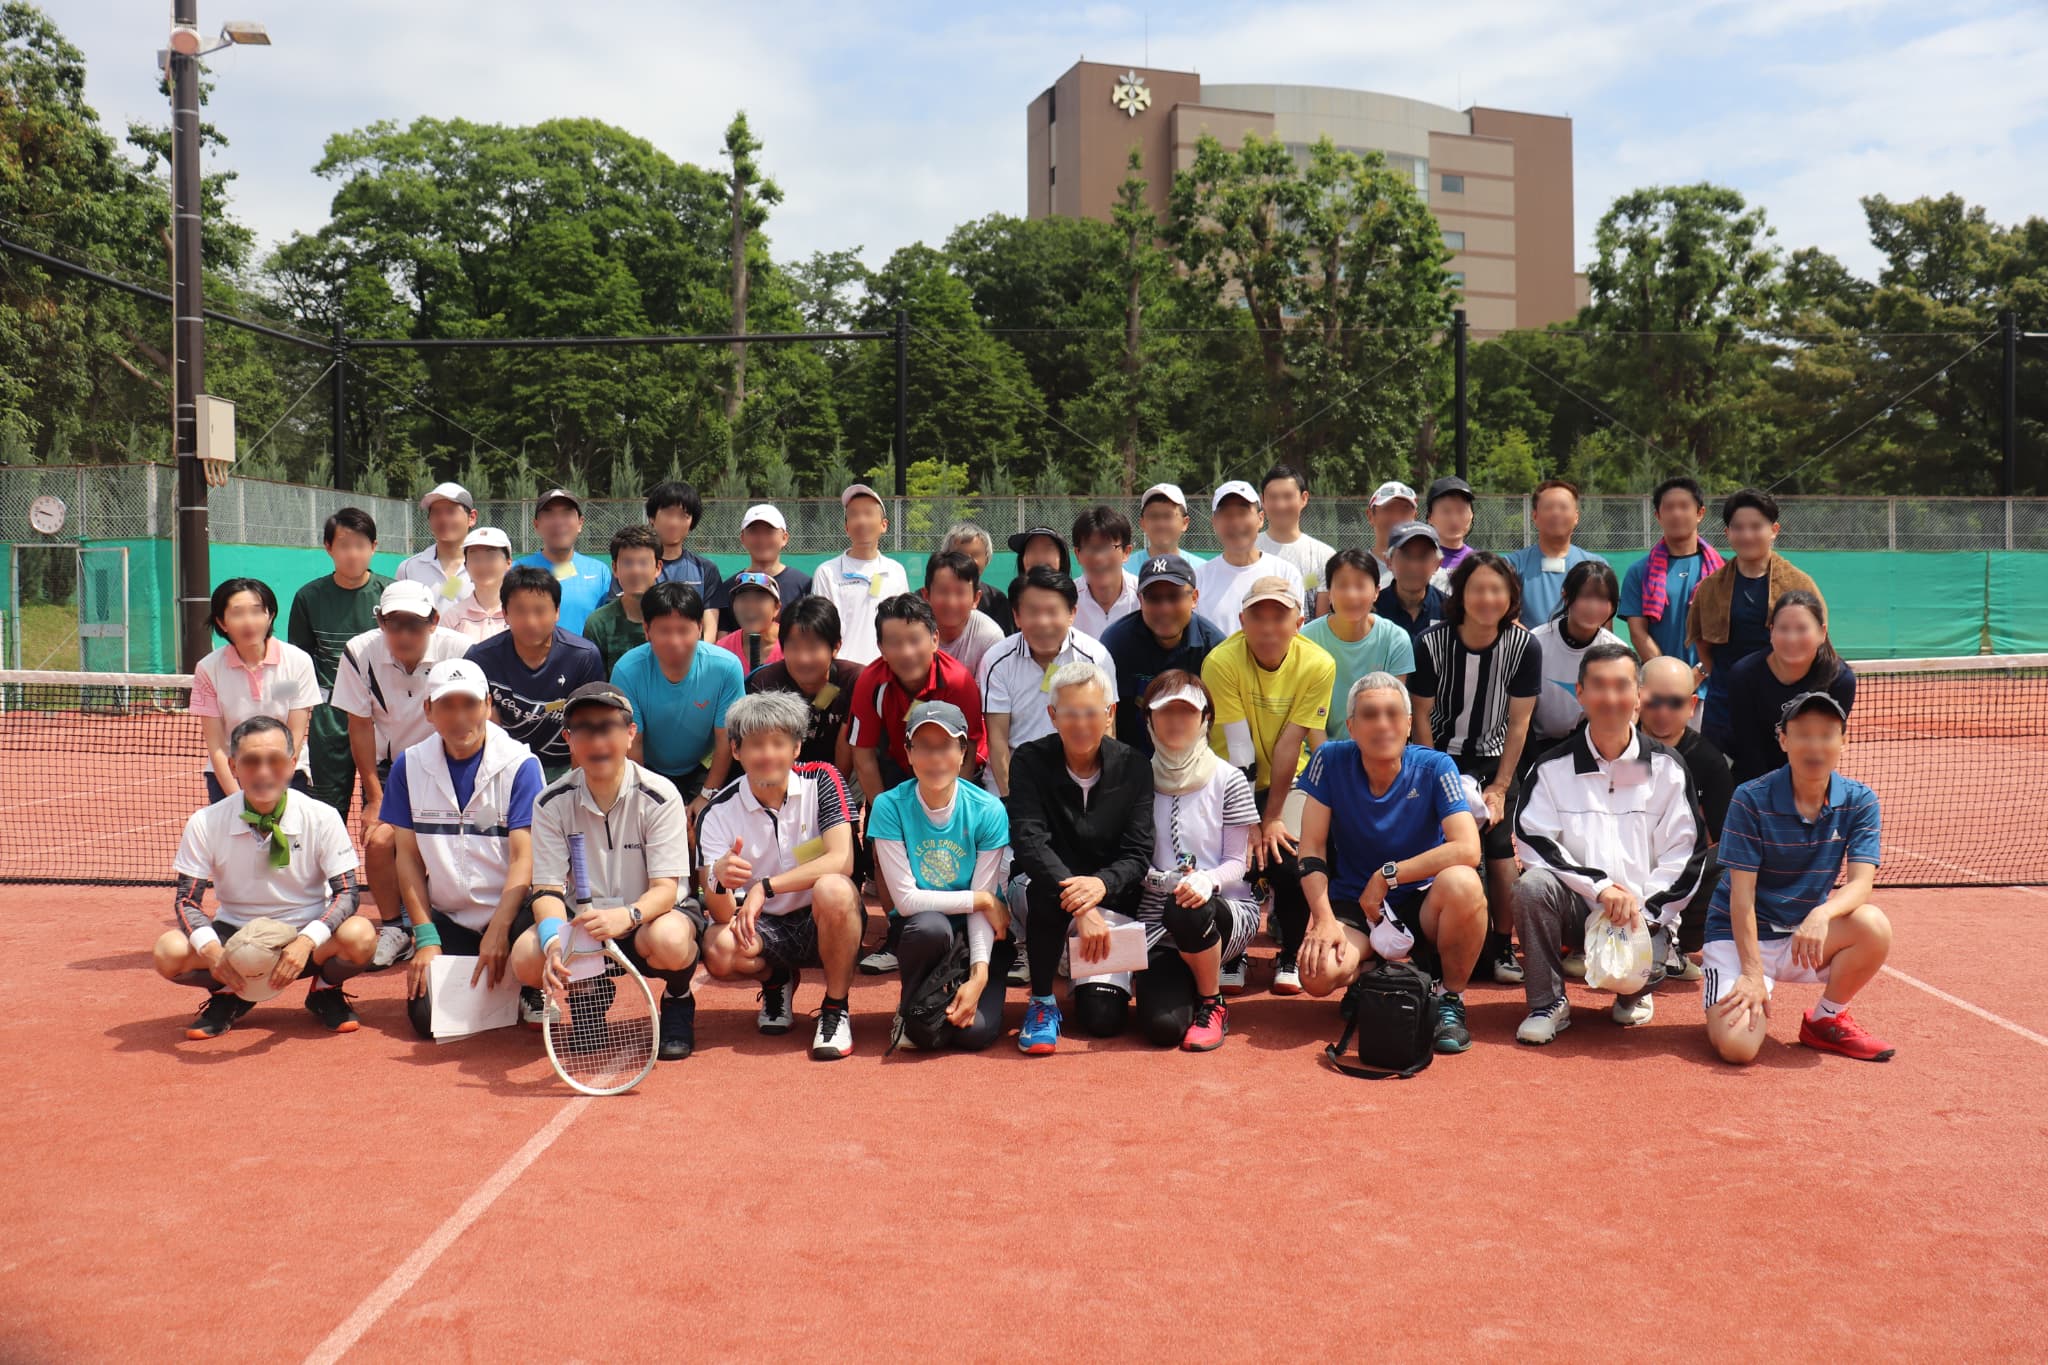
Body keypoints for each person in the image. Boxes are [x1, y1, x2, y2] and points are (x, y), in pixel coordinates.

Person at [1511, 642, 1711, 1043]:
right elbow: (1534, 842)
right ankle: (1548, 1004)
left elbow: (1685, 853)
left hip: (1643, 913)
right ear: (1580, 693)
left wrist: (1644, 911)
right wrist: (1601, 889)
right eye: (1598, 686)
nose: (1610, 697)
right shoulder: (1550, 769)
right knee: (1531, 887)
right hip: (1576, 906)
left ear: (1639, 696)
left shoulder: (1666, 769)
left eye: (1621, 686)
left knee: (1637, 977)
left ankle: (1632, 995)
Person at [1294, 673, 1489, 1054]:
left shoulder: (1437, 767)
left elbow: (1468, 848)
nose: (1382, 724)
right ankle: (1368, 977)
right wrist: (1322, 918)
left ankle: (1450, 1000)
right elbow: (1312, 847)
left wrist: (1389, 876)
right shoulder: (1329, 760)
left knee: (1465, 882)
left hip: (1422, 902)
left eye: (1391, 713)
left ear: (1408, 723)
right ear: (1351, 726)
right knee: (1315, 977)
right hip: (1354, 904)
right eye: (1369, 715)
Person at [510, 682, 703, 1061]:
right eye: (583, 728)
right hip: (585, 925)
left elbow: (666, 889)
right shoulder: (550, 802)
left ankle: (678, 998)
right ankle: (590, 995)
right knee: (526, 957)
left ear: (630, 733)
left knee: (671, 941)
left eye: (608, 726)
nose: (597, 739)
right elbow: (547, 890)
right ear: (569, 738)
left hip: (650, 916)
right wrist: (552, 943)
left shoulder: (661, 796)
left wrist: (626, 916)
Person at [156, 716, 377, 1040]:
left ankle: (324, 990)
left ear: (290, 764)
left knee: (361, 935)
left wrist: (306, 941)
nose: (263, 771)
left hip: (306, 937)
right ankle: (227, 993)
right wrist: (213, 951)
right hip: (235, 934)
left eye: (273, 760)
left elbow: (347, 893)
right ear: (233, 766)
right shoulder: (205, 822)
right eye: (251, 761)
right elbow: (187, 900)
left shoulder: (322, 817)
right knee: (168, 951)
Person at [1704, 691, 1895, 1064]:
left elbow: (1860, 883)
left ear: (1844, 740)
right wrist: (1752, 972)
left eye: (1826, 734)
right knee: (1738, 1049)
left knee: (1873, 925)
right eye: (1804, 733)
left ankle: (1826, 1019)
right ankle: (1728, 997)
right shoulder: (1750, 798)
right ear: (1784, 740)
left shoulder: (1861, 801)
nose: (1816, 745)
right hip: (1740, 936)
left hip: (1801, 934)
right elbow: (1741, 897)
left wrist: (1821, 914)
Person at [379, 659, 545, 1037]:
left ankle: (529, 984)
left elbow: (525, 859)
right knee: (427, 1023)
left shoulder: (521, 765)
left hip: (514, 915)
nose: (460, 717)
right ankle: (495, 984)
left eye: (470, 704)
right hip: (450, 918)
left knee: (532, 942)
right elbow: (406, 858)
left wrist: (500, 929)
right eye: (447, 706)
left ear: (487, 705)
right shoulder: (408, 766)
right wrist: (425, 938)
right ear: (428, 710)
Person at [698, 692, 865, 1060]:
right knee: (719, 948)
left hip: (824, 918)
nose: (767, 754)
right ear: (737, 751)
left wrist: (764, 887)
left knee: (835, 889)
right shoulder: (716, 812)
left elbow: (842, 860)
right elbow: (722, 914)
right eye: (756, 744)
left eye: (778, 743)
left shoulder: (823, 779)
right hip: (766, 927)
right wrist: (721, 880)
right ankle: (776, 981)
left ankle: (835, 1009)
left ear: (796, 748)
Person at [1005, 663, 1155, 1055]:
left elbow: (1138, 853)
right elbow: (1029, 842)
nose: (1081, 724)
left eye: (1091, 712)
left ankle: (1069, 969)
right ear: (1053, 715)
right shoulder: (1028, 760)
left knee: (1103, 1021)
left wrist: (1102, 886)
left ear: (1110, 713)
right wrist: (1081, 907)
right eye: (1070, 713)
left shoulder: (1135, 766)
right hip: (1048, 897)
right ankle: (1041, 1001)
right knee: (1044, 888)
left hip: (1110, 900)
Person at [1409, 551, 1542, 985]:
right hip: (1437, 755)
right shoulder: (1431, 642)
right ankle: (1423, 944)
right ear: (1461, 594)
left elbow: (1519, 723)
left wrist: (1501, 787)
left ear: (1511, 596)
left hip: (1493, 759)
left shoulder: (1525, 646)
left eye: (1498, 589)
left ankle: (1502, 945)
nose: (1488, 598)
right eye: (1478, 588)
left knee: (1501, 844)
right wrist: (1435, 776)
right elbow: (1421, 716)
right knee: (1432, 839)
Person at [1201, 576, 1335, 994]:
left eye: (1279, 616)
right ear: (1242, 620)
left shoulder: (1318, 664)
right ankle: (1232, 950)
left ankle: (1290, 953)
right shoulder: (1221, 661)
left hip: (1291, 777)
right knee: (1230, 856)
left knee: (1291, 858)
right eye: (1258, 616)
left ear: (1298, 620)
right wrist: (1250, 821)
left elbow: (1292, 742)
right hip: (1231, 776)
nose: (1268, 626)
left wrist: (1273, 818)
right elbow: (1239, 751)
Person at [869, 700, 1013, 1052]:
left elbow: (983, 913)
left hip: (978, 931)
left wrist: (979, 977)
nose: (935, 758)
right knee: (930, 926)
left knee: (974, 1034)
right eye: (924, 747)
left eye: (946, 746)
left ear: (963, 751)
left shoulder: (988, 809)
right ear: (909, 753)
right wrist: (981, 898)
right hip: (925, 928)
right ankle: (911, 1010)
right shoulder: (889, 806)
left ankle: (954, 992)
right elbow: (905, 901)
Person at [329, 581, 472, 936]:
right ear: (380, 622)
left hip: (449, 766)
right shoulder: (358, 652)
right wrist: (375, 796)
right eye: (395, 624)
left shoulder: (462, 651)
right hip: (392, 770)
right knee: (379, 842)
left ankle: (449, 923)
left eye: (415, 624)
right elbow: (359, 725)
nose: (404, 634)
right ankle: (394, 929)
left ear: (434, 620)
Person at [1133, 673, 1264, 1051]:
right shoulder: (1134, 778)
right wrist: (1160, 880)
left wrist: (1206, 881)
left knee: (1188, 905)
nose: (1176, 721)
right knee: (1162, 1028)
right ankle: (1183, 978)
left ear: (1205, 719)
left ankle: (1212, 1001)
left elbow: (1237, 862)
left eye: (1187, 712)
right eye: (1165, 712)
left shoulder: (1229, 779)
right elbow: (1130, 854)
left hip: (1223, 911)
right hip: (1155, 919)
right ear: (1149, 721)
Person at [1690, 488, 1824, 747]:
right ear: (1728, 533)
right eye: (1738, 527)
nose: (1747, 535)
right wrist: (1731, 680)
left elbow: (1818, 643)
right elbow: (1703, 645)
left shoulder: (1800, 583)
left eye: (1756, 526)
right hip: (1724, 708)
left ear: (1774, 530)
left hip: (1782, 706)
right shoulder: (1710, 587)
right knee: (1723, 784)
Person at [978, 566, 1116, 798]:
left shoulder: (1096, 656)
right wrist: (1013, 801)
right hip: (1015, 773)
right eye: (1032, 612)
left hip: (1078, 774)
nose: (1043, 622)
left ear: (1072, 613)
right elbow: (998, 739)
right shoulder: (997, 660)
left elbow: (1106, 729)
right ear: (1017, 616)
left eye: (1052, 611)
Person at [288, 507, 391, 818]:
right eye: (344, 545)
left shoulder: (390, 594)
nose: (353, 554)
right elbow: (300, 662)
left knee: (383, 808)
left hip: (384, 715)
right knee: (326, 812)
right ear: (329, 548)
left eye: (361, 545)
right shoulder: (308, 597)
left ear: (374, 547)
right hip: (328, 718)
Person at [609, 582, 743, 813]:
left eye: (684, 630)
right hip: (647, 770)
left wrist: (706, 795)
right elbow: (632, 743)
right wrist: (650, 798)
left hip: (704, 766)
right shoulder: (627, 671)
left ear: (700, 628)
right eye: (664, 631)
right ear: (647, 630)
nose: (675, 641)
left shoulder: (726, 667)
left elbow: (725, 741)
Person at [463, 565, 605, 781]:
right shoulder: (481, 659)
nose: (531, 622)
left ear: (557, 611)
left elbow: (586, 728)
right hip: (507, 766)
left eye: (540, 610)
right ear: (506, 613)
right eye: (520, 611)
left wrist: (575, 790)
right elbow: (486, 732)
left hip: (566, 766)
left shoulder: (583, 656)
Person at [1639, 655, 1732, 979]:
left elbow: (1721, 837)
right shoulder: (1612, 745)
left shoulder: (1708, 761)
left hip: (1679, 874)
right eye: (1654, 701)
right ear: (1638, 698)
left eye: (1675, 702)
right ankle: (1587, 941)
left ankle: (1678, 940)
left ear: (1692, 705)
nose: (1664, 711)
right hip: (1620, 867)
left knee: (1733, 861)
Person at [850, 593, 987, 802]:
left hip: (953, 771)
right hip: (899, 769)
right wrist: (883, 813)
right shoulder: (870, 682)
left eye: (915, 640)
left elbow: (968, 752)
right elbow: (863, 756)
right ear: (881, 649)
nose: (907, 652)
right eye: (895, 643)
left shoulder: (958, 682)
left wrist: (952, 809)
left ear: (934, 640)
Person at [191, 577, 317, 803]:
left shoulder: (298, 662)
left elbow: (296, 734)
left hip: (287, 773)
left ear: (270, 616)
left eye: (257, 611)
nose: (249, 622)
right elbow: (217, 745)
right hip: (229, 775)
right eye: (237, 613)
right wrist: (237, 798)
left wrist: (277, 784)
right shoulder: (208, 669)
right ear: (222, 622)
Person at [1722, 590, 1856, 786]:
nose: (1792, 638)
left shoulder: (1840, 680)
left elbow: (1825, 745)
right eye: (1783, 629)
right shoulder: (1743, 675)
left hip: (1808, 779)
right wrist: (1767, 796)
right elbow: (1748, 745)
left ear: (1822, 632)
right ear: (1771, 632)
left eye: (1802, 629)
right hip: (1751, 778)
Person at [1101, 554, 1225, 757]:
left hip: (1196, 760)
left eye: (1174, 596)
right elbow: (1110, 714)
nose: (1164, 608)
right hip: (1133, 759)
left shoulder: (1214, 647)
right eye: (1154, 598)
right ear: (1140, 600)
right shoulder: (1117, 642)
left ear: (1194, 598)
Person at [1620, 476, 1721, 678]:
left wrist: (1700, 673)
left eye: (1684, 506)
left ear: (1700, 513)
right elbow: (1638, 633)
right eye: (1669, 507)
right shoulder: (1639, 571)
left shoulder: (1723, 570)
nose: (1676, 513)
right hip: (1660, 685)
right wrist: (1670, 676)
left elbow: (1729, 632)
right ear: (1658, 516)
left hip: (1713, 686)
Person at [746, 597, 860, 775]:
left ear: (836, 647)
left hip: (843, 776)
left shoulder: (854, 680)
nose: (803, 658)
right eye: (794, 647)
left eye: (813, 647)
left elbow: (850, 746)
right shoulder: (767, 684)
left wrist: (836, 792)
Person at [1526, 560, 1628, 753]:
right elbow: (1519, 715)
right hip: (1534, 745)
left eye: (1604, 599)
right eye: (1586, 596)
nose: (1594, 606)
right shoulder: (1535, 643)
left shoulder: (1617, 653)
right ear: (1566, 596)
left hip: (1591, 746)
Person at [1302, 549, 1414, 722]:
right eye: (1342, 585)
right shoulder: (1307, 639)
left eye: (1360, 586)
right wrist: (1325, 750)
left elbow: (1394, 710)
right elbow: (1306, 714)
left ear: (1376, 592)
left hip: (1377, 742)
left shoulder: (1395, 639)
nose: (1351, 594)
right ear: (1329, 593)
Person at [815, 483, 910, 666]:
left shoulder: (896, 571)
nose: (861, 521)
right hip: (842, 672)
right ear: (846, 527)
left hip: (888, 669)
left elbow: (903, 625)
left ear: (883, 525)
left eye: (868, 513)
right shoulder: (826, 572)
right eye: (854, 515)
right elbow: (821, 629)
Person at [1194, 480, 1306, 634]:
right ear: (1214, 523)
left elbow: (1294, 635)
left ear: (1260, 518)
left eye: (1242, 512)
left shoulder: (1286, 573)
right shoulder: (1199, 578)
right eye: (1226, 514)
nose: (1235, 521)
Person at [1506, 480, 1608, 628]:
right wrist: (1535, 646)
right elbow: (1509, 618)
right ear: (1535, 516)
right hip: (1528, 649)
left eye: (1564, 507)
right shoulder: (1512, 564)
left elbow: (1604, 622)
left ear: (1576, 517)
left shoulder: (1598, 565)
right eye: (1548, 507)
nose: (1556, 513)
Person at [513, 488, 612, 634]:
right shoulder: (517, 570)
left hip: (584, 657)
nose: (558, 521)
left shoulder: (599, 571)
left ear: (580, 523)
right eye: (549, 514)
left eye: (566, 513)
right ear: (536, 525)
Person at [646, 480, 726, 638]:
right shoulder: (636, 567)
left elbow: (710, 629)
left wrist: (697, 660)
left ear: (691, 523)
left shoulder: (706, 569)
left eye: (683, 516)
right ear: (652, 518)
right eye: (668, 513)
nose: (674, 522)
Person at [580, 524, 663, 674]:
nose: (635, 571)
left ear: (658, 567)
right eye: (628, 563)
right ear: (615, 568)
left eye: (643, 562)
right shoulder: (598, 623)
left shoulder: (674, 618)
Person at [1256, 465, 1336, 617]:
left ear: (1304, 498)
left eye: (1288, 496)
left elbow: (1321, 622)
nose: (1280, 505)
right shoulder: (1249, 550)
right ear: (1263, 501)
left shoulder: (1324, 556)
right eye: (1273, 497)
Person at [706, 503, 810, 616]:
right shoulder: (729, 588)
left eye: (769, 531)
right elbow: (724, 633)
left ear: (784, 538)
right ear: (743, 538)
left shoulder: (805, 585)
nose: (761, 539)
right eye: (754, 531)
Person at [923, 549, 1004, 676]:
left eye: (960, 592)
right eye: (943, 591)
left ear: (976, 599)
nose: (951, 602)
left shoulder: (990, 636)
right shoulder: (913, 631)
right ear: (926, 596)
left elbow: (985, 691)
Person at [396, 482, 476, 603]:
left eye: (451, 511)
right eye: (436, 512)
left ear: (472, 518)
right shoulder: (408, 568)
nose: (443, 519)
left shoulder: (490, 567)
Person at [1071, 505, 1141, 638]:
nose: (1099, 557)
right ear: (1077, 554)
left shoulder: (1144, 596)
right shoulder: (1066, 599)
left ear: (1126, 552)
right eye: (1090, 548)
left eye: (1108, 547)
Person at [1376, 521, 1449, 642]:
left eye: (1423, 557)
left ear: (1437, 564)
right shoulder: (1373, 609)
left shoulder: (1449, 610)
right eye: (1405, 556)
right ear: (1389, 561)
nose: (1414, 566)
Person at [941, 521, 1014, 635]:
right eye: (961, 554)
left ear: (986, 559)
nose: (969, 561)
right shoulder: (929, 596)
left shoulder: (996, 600)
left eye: (976, 554)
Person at [446, 527, 513, 642]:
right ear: (466, 566)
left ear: (508, 563)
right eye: (476, 558)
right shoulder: (453, 617)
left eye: (491, 557)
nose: (483, 565)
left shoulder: (520, 612)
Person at [1126, 482, 1207, 573]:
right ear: (1142, 523)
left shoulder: (1202, 571)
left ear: (1185, 523)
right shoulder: (1124, 569)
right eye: (1153, 516)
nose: (1161, 524)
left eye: (1168, 516)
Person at [714, 571, 785, 673]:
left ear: (777, 608)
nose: (750, 606)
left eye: (759, 599)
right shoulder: (723, 649)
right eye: (743, 599)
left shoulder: (792, 644)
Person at [1006, 524, 1072, 608]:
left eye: (1047, 549)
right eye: (1032, 549)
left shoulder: (1079, 603)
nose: (1039, 557)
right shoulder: (1007, 606)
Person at [1426, 475, 1478, 576]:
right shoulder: (1419, 562)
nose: (1454, 519)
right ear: (1430, 517)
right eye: (1446, 511)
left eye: (1461, 510)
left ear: (1472, 515)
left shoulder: (1480, 563)